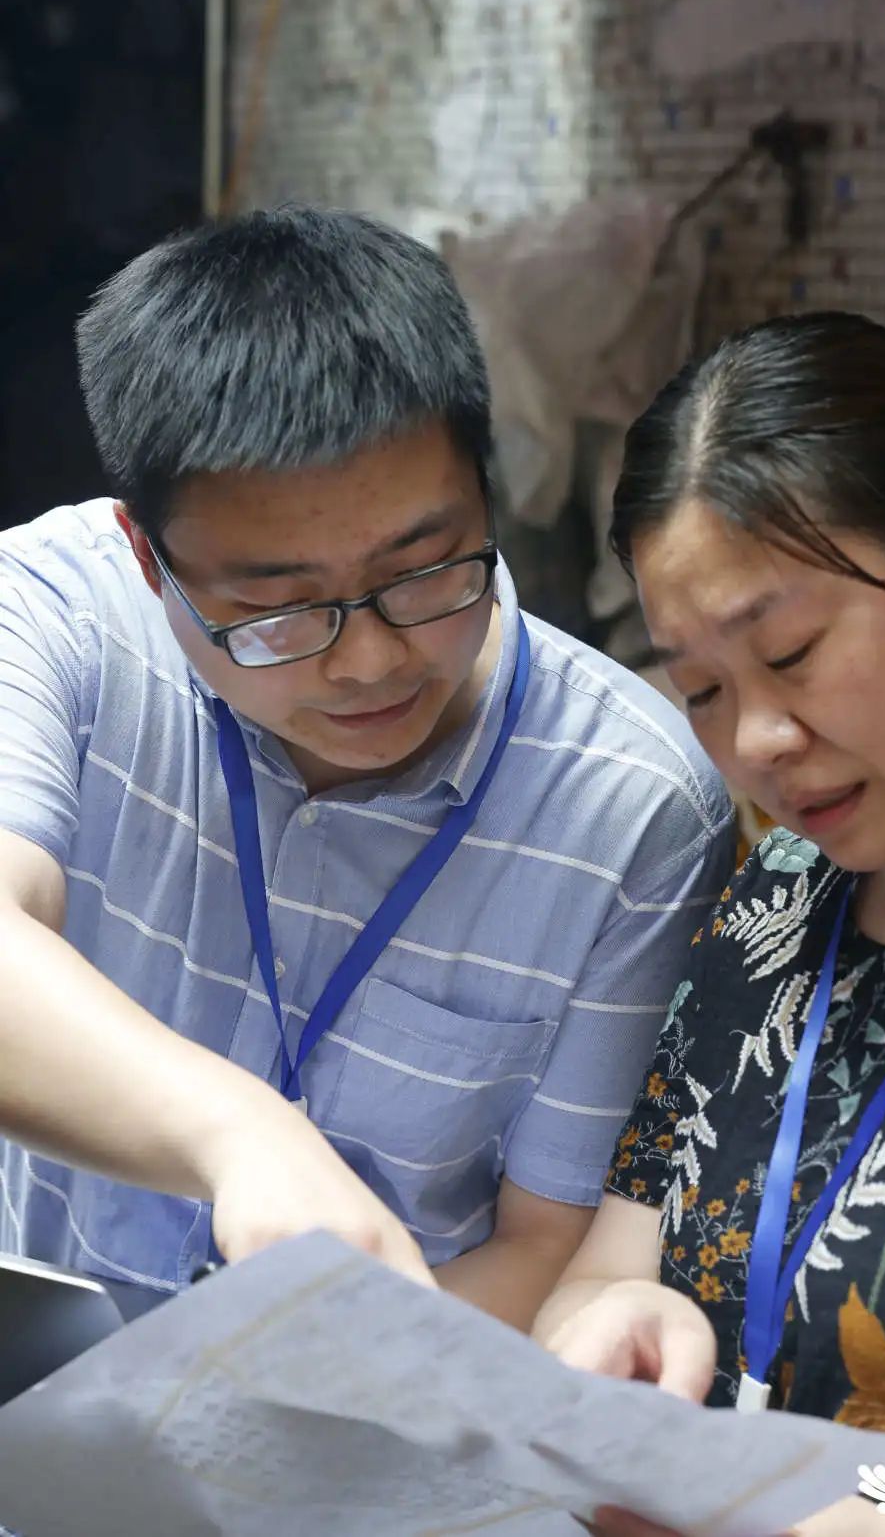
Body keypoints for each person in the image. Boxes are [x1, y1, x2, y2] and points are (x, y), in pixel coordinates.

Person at [0, 205, 735, 1329]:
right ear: (148, 556)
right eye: (279, 610)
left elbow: (551, 1248)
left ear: (485, 489)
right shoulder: (58, 609)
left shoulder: (633, 803)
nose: (370, 662)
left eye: (425, 572)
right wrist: (243, 1135)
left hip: (371, 1408)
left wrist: (252, 1400)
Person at [535, 311, 885, 1533]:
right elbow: (609, 1263)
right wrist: (609, 1336)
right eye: (703, 690)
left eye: (792, 653)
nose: (758, 742)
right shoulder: (779, 896)